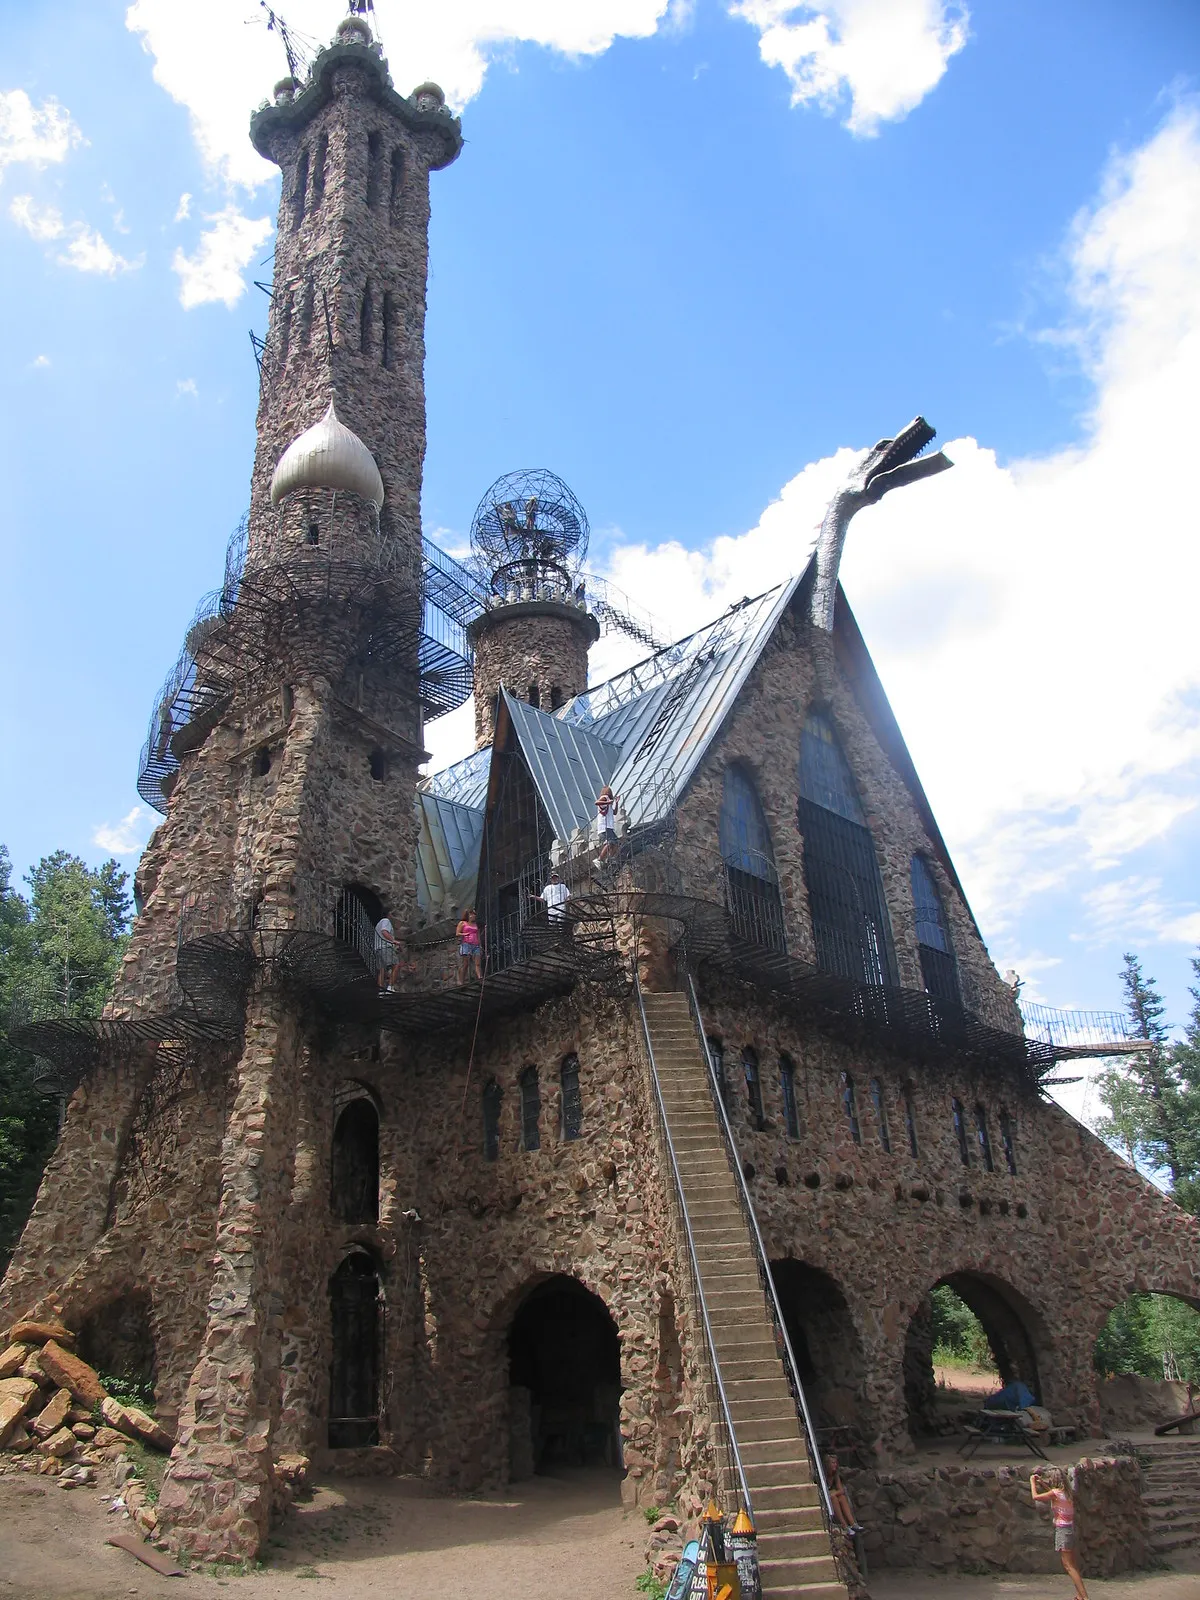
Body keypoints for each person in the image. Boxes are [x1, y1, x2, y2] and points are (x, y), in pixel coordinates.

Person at [1030, 1467, 1088, 1600]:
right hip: (1070, 1529)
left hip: (1063, 1530)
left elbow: (1035, 1497)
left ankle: (1085, 1597)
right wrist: (1041, 1483)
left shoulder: (1056, 1493)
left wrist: (1032, 1482)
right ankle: (1080, 1595)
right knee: (1073, 1564)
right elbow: (1051, 1493)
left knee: (1068, 1566)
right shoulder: (1066, 1492)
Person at [824, 1454, 862, 1535]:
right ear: (828, 1464)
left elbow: (841, 1490)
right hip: (826, 1499)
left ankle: (853, 1524)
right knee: (834, 1498)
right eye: (832, 1463)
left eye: (835, 1463)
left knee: (842, 1497)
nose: (835, 1465)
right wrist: (832, 1493)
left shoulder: (835, 1474)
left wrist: (834, 1492)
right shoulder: (823, 1474)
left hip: (833, 1496)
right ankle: (844, 1525)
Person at [456, 907, 482, 985]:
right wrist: (464, 934)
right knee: (465, 964)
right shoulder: (462, 923)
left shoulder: (475, 924)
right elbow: (457, 933)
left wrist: (480, 945)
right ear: (468, 915)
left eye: (474, 914)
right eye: (472, 914)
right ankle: (461, 981)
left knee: (477, 963)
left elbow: (478, 935)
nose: (474, 915)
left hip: (476, 944)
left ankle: (480, 978)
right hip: (466, 944)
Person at [375, 911, 399, 993]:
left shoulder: (378, 923)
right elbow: (384, 931)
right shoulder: (386, 921)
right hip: (385, 947)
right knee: (395, 965)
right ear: (388, 914)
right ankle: (390, 987)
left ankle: (381, 991)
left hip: (378, 949)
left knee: (382, 970)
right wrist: (393, 941)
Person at [595, 785, 620, 862]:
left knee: (616, 843)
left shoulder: (608, 801)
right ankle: (600, 859)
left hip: (609, 827)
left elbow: (614, 812)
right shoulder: (605, 798)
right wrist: (608, 802)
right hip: (604, 826)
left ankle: (610, 858)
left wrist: (616, 803)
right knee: (610, 843)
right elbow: (596, 802)